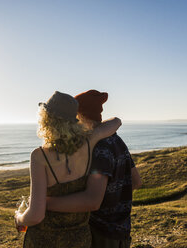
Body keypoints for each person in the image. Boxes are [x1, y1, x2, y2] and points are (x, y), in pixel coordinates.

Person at [14, 91, 122, 248]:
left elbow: (36, 215)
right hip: (80, 240)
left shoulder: (39, 156)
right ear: (73, 120)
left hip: (44, 240)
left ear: (46, 119)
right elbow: (116, 122)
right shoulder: (88, 141)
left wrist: (19, 218)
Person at [46, 90, 142, 248]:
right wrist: (115, 197)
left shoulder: (98, 149)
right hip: (122, 231)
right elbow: (136, 181)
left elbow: (92, 201)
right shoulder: (116, 140)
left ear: (81, 117)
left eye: (75, 118)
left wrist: (46, 204)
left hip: (101, 234)